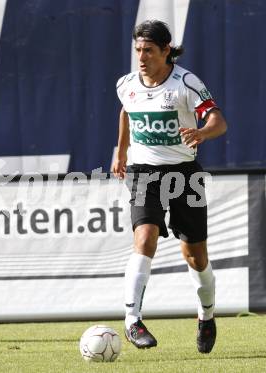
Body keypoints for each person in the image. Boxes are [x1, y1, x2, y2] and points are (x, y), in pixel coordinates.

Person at [112, 20, 227, 353]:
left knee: (195, 256)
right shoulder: (127, 84)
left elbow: (218, 120)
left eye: (149, 50)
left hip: (184, 174)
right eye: (138, 50)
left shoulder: (186, 83)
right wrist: (121, 151)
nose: (142, 57)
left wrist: (202, 133)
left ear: (166, 51)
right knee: (144, 236)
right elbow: (127, 111)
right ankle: (132, 320)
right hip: (143, 171)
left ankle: (206, 315)